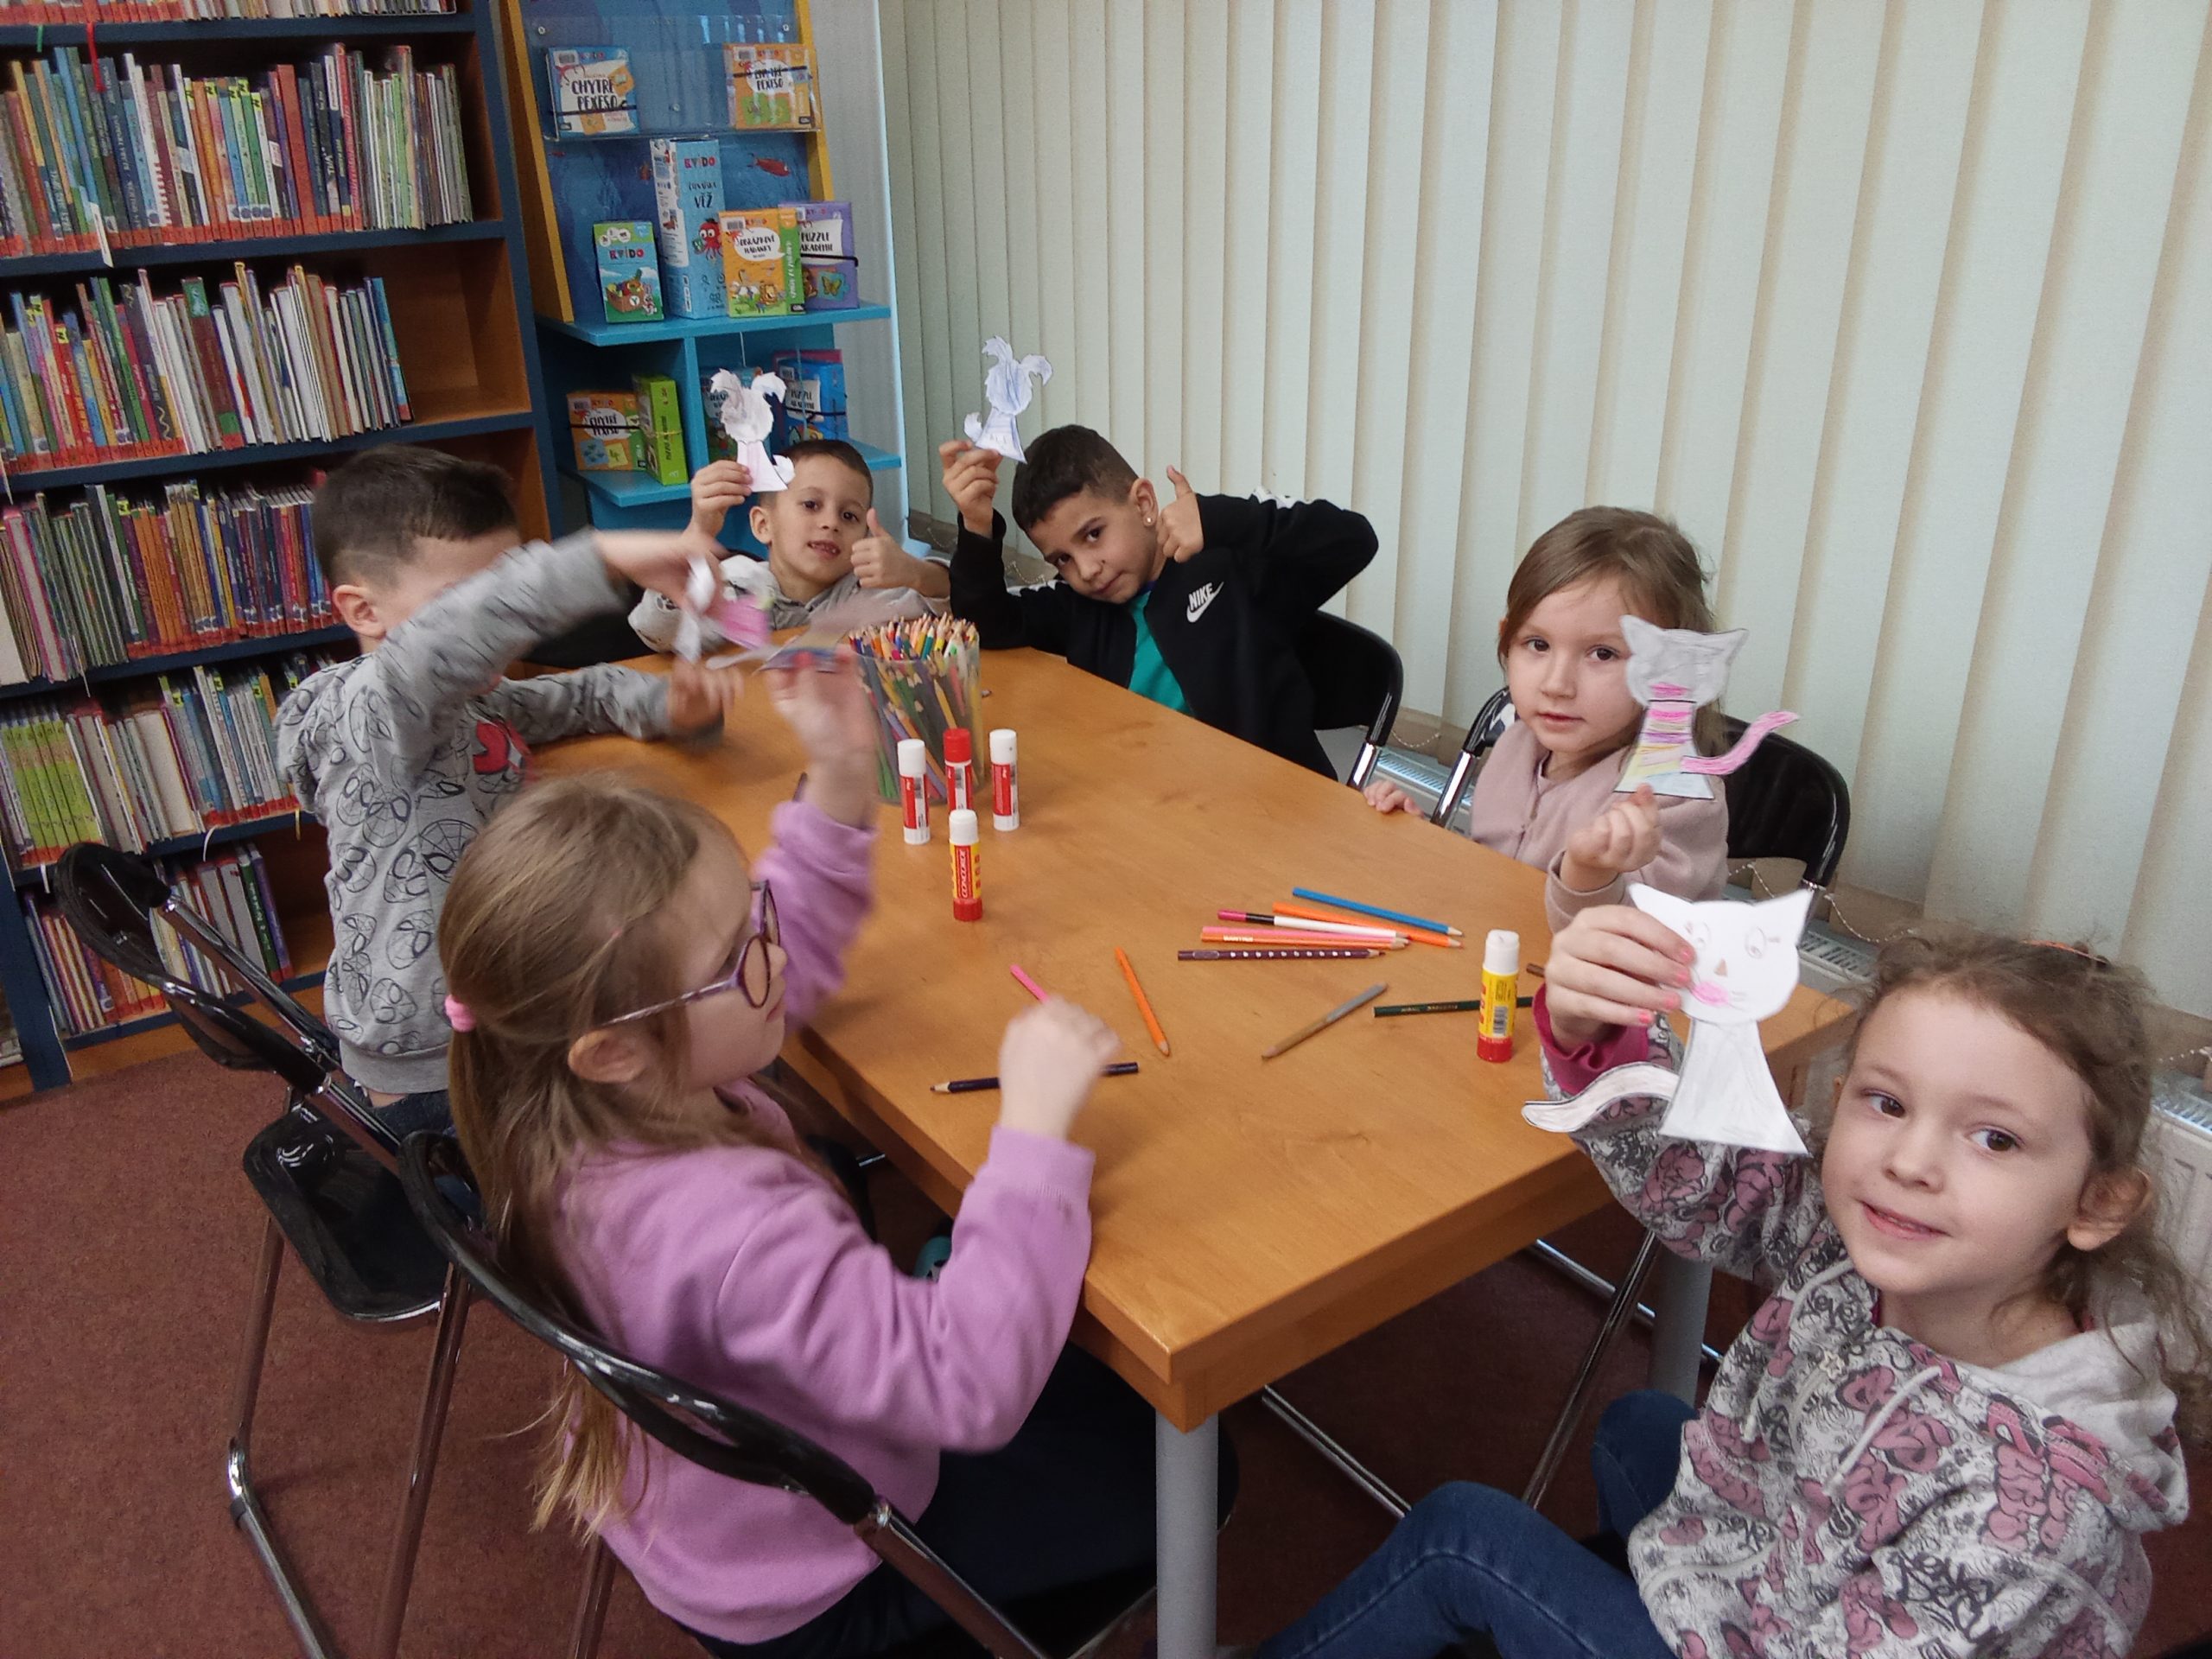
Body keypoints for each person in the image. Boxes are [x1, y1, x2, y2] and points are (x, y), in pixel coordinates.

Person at [438, 668, 1219, 1657]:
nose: (771, 953)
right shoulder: (734, 1229)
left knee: (1048, 1340)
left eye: (753, 913)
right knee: (1192, 1469)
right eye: (738, 956)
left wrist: (842, 781)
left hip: (715, 1525)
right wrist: (1031, 1136)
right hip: (830, 1576)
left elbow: (761, 964)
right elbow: (968, 1382)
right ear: (614, 1049)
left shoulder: (560, 1100)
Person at [1247, 919, 2206, 1659]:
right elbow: (1709, 1183)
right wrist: (1598, 1033)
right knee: (1638, 1427)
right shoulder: (1866, 1239)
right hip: (1779, 1573)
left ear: (2098, 1203)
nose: (1909, 1162)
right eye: (1886, 1102)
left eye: (1994, 1138)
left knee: (1462, 1540)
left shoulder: (2030, 1505)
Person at [275, 443, 731, 1134]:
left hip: (508, 999)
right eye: (472, 601)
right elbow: (444, 645)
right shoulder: (369, 715)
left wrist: (670, 707)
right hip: (439, 1058)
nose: (502, 628)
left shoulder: (469, 704)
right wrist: (600, 556)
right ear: (363, 610)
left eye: (506, 585)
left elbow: (575, 697)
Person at [1366, 507, 1730, 932]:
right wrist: (1429, 842)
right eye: (1537, 644)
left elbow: (1628, 942)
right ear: (1507, 638)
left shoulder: (1675, 793)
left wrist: (1589, 874)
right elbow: (1500, 875)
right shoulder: (1516, 744)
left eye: (1603, 654)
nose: (1557, 685)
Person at [943, 426, 1376, 776]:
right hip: (1150, 801)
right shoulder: (1079, 606)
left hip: (1268, 804)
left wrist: (1222, 518)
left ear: (1144, 503)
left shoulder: (1230, 567)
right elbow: (985, 626)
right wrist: (977, 526)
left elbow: (1355, 541)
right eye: (1062, 559)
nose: (1087, 570)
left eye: (1093, 535)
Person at [632, 441, 950, 652]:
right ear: (763, 525)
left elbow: (952, 605)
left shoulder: (872, 595)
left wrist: (916, 573)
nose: (831, 523)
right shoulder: (733, 586)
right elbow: (657, 631)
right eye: (811, 505)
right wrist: (697, 534)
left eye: (849, 516)